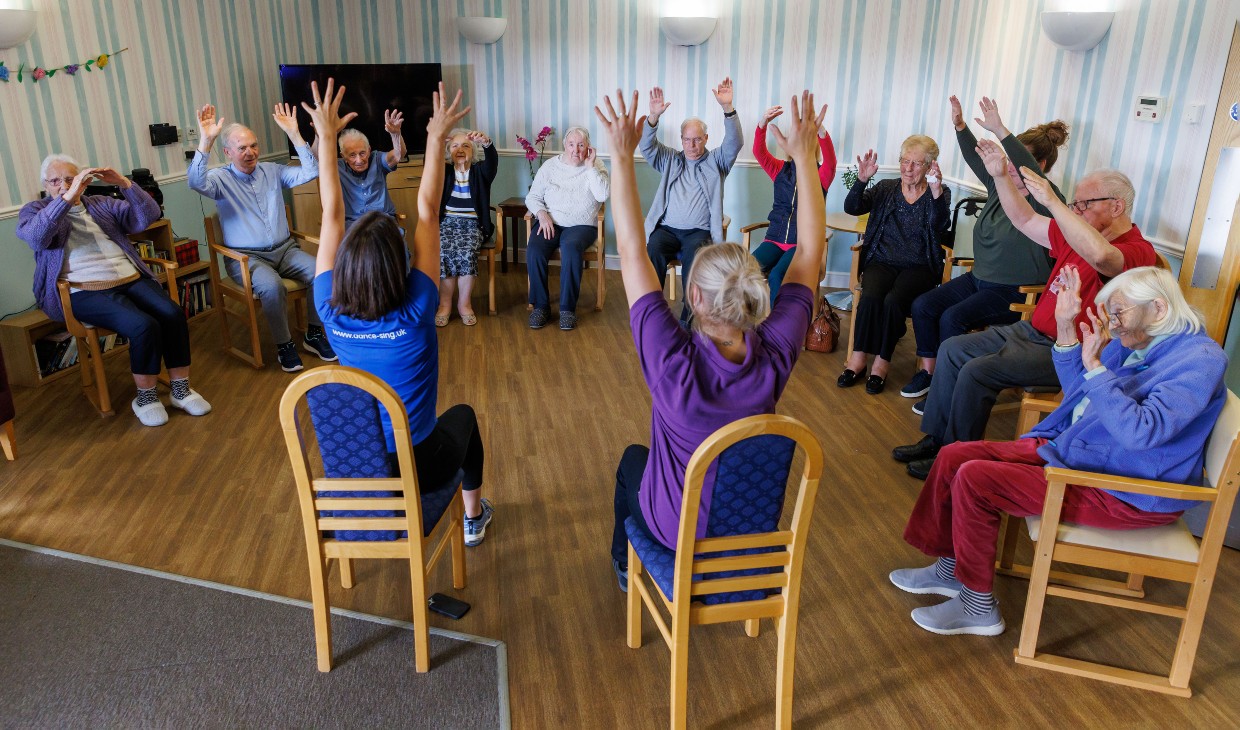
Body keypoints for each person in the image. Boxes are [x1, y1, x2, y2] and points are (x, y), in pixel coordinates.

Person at [891, 265, 1228, 636]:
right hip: (1084, 454)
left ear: (1159, 309)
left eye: (1118, 313)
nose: (1113, 325)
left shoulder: (1198, 360)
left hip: (1125, 489)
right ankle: (950, 568)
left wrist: (1097, 367)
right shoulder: (1144, 340)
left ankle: (978, 607)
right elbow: (1078, 393)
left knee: (976, 479)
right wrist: (1068, 329)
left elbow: (1141, 433)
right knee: (956, 455)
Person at [601, 88, 827, 592]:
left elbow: (630, 249)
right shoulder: (776, 353)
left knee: (630, 464)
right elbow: (810, 250)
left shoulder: (672, 364)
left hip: (676, 533)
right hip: (747, 539)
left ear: (695, 302)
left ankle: (625, 564)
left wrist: (618, 154)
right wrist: (807, 160)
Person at [306, 78, 494, 546]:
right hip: (417, 465)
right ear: (399, 265)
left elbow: (332, 214)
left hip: (359, 470)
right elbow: (427, 213)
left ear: (346, 266)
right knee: (465, 417)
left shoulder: (328, 308)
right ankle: (474, 517)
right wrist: (435, 138)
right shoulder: (416, 308)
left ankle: (468, 517)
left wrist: (324, 139)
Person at [893, 145, 1157, 479]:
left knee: (977, 370)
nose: (1076, 211)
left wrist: (1054, 202)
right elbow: (1024, 218)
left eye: (1084, 205)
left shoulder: (1137, 251)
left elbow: (1103, 258)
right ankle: (938, 441)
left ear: (1116, 206)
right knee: (952, 348)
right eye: (1074, 204)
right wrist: (1001, 176)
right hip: (1031, 332)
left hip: (1070, 353)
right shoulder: (1077, 235)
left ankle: (955, 458)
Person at [18, 155, 211, 426]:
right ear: (46, 186)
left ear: (84, 182)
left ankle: (180, 389)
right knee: (143, 325)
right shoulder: (35, 211)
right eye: (55, 181)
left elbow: (148, 216)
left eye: (72, 179)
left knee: (172, 314)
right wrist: (65, 201)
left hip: (130, 278)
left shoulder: (100, 204)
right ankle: (145, 397)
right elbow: (37, 237)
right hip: (82, 290)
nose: (64, 185)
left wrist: (124, 183)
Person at [902, 97, 1068, 407]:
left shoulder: (1046, 198)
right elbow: (976, 158)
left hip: (1015, 291)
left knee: (953, 318)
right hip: (979, 279)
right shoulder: (999, 187)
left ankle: (946, 389)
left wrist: (1001, 130)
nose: (1008, 165)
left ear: (1039, 166)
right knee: (924, 305)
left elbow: (1029, 171)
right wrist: (960, 126)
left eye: (1017, 160)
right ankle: (929, 373)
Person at [188, 102, 333, 373]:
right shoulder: (218, 180)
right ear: (228, 152)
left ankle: (314, 334)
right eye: (241, 148)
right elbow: (195, 182)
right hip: (246, 258)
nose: (250, 152)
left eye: (253, 145)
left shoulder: (272, 171)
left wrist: (295, 134)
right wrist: (206, 141)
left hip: (285, 249)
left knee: (322, 272)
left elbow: (312, 171)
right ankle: (284, 344)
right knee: (271, 286)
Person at [838, 136, 951, 395]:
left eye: (917, 163)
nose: (909, 168)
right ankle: (857, 359)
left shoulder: (939, 193)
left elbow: (939, 225)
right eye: (905, 161)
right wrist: (862, 180)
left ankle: (881, 362)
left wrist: (936, 193)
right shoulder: (887, 188)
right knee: (871, 296)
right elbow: (852, 207)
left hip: (920, 267)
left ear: (930, 166)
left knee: (894, 300)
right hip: (882, 260)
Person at [641, 79, 744, 325]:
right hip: (667, 230)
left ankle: (689, 320)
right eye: (686, 140)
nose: (691, 145)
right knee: (653, 248)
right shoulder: (670, 159)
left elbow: (735, 142)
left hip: (697, 232)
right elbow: (646, 146)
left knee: (695, 257)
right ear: (681, 139)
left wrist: (728, 108)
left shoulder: (717, 161)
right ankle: (651, 315)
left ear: (706, 138)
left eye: (697, 139)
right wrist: (653, 118)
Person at [525, 126, 610, 330]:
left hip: (581, 225)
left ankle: (567, 309)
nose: (576, 150)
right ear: (565, 145)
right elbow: (533, 196)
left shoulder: (596, 165)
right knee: (535, 249)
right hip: (551, 222)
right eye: (571, 144)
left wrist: (590, 168)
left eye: (581, 145)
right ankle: (541, 306)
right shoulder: (550, 166)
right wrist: (541, 214)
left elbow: (602, 195)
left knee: (571, 247)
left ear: (588, 146)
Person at [751, 104, 837, 303]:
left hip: (799, 245)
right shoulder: (780, 169)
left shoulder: (821, 175)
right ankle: (742, 325)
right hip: (773, 239)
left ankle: (774, 327)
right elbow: (759, 152)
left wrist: (820, 129)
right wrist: (762, 123)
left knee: (776, 276)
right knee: (743, 271)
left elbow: (831, 161)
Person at [436, 127, 498, 327]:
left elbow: (492, 163)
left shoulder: (480, 171)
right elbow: (430, 164)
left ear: (473, 150)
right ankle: (444, 305)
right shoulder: (444, 171)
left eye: (466, 145)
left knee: (467, 252)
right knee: (444, 251)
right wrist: (436, 143)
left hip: (473, 224)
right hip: (447, 223)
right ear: (449, 151)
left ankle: (464, 304)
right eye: (455, 146)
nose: (460, 150)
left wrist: (487, 143)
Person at [338, 109, 406, 229]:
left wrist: (396, 135)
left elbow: (398, 155)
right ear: (343, 156)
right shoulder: (337, 167)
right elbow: (315, 161)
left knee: (393, 246)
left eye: (362, 153)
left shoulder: (377, 159)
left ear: (369, 150)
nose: (359, 160)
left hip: (383, 222)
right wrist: (322, 135)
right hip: (354, 226)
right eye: (352, 155)